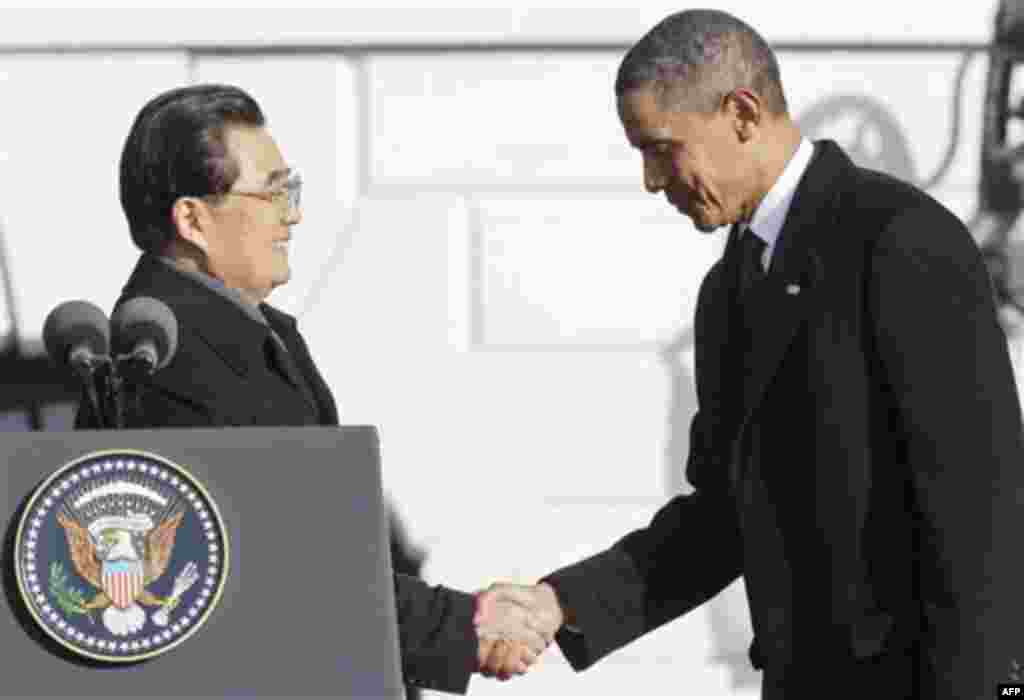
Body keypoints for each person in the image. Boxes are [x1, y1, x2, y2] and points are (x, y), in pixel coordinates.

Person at [477, 9, 1024, 699]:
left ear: (741, 112)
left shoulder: (900, 241)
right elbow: (723, 520)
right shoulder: (730, 290)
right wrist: (562, 605)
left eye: (661, 148)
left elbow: (980, 515)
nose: (650, 179)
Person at [74, 83, 546, 694]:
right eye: (272, 193)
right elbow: (277, 566)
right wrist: (459, 626)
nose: (290, 215)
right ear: (192, 218)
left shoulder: (244, 331)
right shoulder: (160, 362)